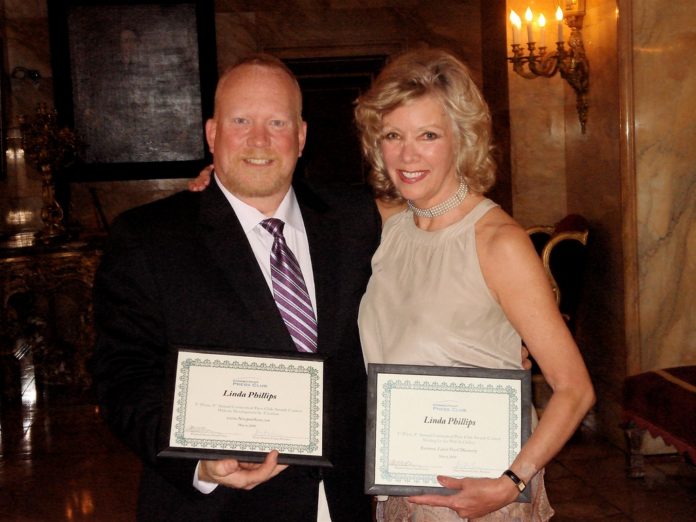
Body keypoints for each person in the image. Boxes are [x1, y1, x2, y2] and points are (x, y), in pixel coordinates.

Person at [90, 54, 380, 521]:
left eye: (277, 122)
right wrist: (199, 462)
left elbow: (432, 257)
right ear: (212, 133)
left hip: (349, 500)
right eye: (241, 120)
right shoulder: (148, 238)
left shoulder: (355, 220)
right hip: (222, 508)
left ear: (301, 136)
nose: (259, 140)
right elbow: (123, 376)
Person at [354, 48, 595, 521]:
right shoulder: (392, 225)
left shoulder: (496, 241)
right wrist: (217, 180)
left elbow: (575, 389)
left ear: (460, 139)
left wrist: (511, 483)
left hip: (479, 495)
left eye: (428, 135)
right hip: (403, 484)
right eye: (392, 135)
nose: (407, 154)